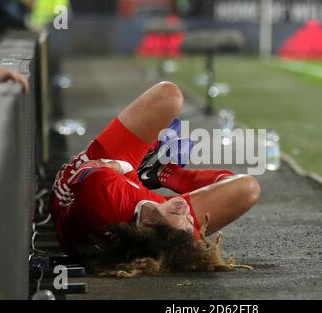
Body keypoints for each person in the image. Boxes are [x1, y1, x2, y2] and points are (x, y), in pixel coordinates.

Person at [50, 81, 260, 277]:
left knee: (168, 95)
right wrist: (180, 181)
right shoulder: (166, 229)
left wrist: (127, 167)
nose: (186, 211)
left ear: (148, 226)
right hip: (133, 197)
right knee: (248, 189)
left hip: (100, 173)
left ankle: (147, 170)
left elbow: (92, 169)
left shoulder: (105, 197)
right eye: (190, 222)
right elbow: (230, 186)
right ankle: (165, 174)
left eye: (183, 219)